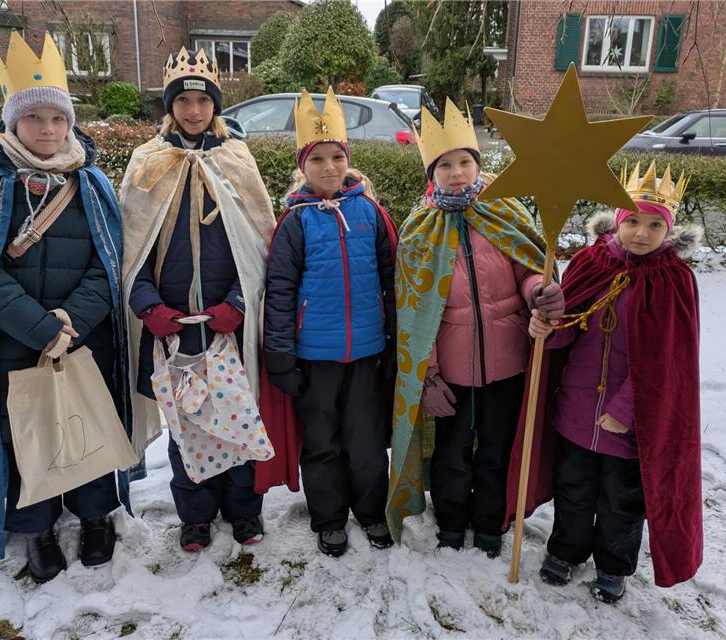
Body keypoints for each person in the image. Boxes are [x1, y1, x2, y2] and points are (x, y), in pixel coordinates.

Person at [0, 32, 133, 582]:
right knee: (24, 434)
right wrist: (38, 329)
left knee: (87, 424)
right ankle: (35, 528)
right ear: (12, 124)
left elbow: (110, 265)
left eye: (58, 119)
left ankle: (96, 517)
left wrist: (72, 324)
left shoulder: (93, 185)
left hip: (84, 338)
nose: (48, 130)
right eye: (35, 120)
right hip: (16, 343)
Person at [386, 99, 565, 557]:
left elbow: (528, 269)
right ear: (432, 174)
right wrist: (427, 375)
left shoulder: (506, 212)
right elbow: (414, 313)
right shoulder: (419, 231)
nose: (457, 172)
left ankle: (489, 521)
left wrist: (538, 291)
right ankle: (450, 521)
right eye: (445, 165)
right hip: (453, 370)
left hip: (507, 362)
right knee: (450, 452)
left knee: (496, 449)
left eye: (465, 161)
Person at [120, 47, 277, 552]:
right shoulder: (147, 163)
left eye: (202, 101)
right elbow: (131, 248)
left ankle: (244, 510)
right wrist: (147, 306)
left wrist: (239, 299)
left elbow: (253, 242)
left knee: (236, 414)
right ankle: (195, 515)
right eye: (183, 101)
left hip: (226, 323)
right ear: (170, 106)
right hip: (172, 327)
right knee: (186, 423)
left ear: (215, 106)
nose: (193, 111)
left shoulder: (236, 158)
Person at [530, 162, 703, 601]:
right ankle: (565, 551)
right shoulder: (591, 262)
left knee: (621, 503)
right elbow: (572, 325)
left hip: (629, 424)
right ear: (618, 220)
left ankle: (613, 565)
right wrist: (549, 330)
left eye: (654, 225)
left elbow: (669, 362)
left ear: (669, 230)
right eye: (633, 222)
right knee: (573, 491)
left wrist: (624, 412)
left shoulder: (673, 280)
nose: (641, 234)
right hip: (575, 410)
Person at [264, 88, 398, 557]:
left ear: (348, 159)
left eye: (336, 156)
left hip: (365, 353)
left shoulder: (371, 213)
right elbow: (279, 290)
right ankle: (329, 517)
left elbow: (391, 280)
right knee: (322, 442)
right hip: (313, 356)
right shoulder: (295, 222)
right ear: (303, 164)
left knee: (365, 443)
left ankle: (371, 510)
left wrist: (394, 343)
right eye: (317, 158)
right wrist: (279, 354)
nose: (328, 167)